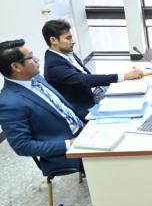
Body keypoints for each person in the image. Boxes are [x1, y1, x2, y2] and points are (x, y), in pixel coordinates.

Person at [0, 39, 83, 175]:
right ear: (16, 67)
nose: (37, 59)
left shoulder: (36, 78)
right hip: (65, 149)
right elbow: (23, 146)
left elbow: (61, 107)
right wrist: (70, 143)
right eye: (31, 57)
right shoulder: (8, 103)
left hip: (81, 129)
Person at [42, 19, 143, 119]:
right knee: (132, 105)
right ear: (53, 40)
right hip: (88, 103)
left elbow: (87, 76)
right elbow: (85, 80)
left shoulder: (65, 52)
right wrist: (124, 76)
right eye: (68, 38)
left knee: (136, 93)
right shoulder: (54, 66)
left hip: (95, 91)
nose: (73, 42)